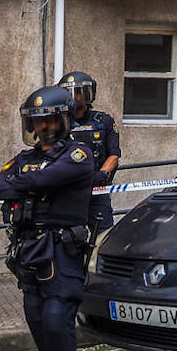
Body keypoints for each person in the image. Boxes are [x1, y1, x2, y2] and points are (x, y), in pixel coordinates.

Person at [0, 86, 96, 351]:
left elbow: (57, 175)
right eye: (38, 122)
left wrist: (27, 180)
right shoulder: (26, 158)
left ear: (64, 119)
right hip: (28, 247)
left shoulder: (80, 153)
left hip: (61, 248)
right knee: (35, 314)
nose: (44, 127)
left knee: (57, 318)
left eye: (50, 120)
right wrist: (33, 178)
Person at [58, 71, 121, 239]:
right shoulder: (59, 123)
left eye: (79, 92)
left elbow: (113, 155)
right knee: (68, 239)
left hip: (96, 190)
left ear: (88, 94)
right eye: (70, 93)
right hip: (68, 193)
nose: (75, 97)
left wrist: (102, 174)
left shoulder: (104, 121)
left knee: (103, 236)